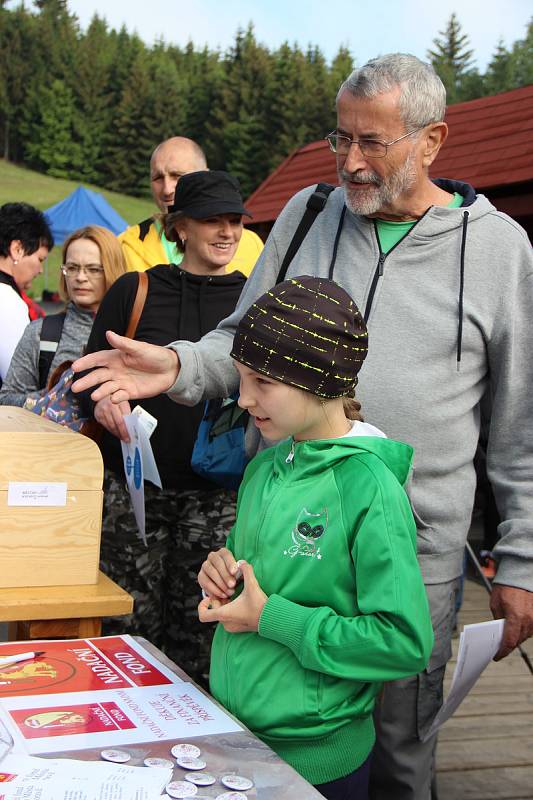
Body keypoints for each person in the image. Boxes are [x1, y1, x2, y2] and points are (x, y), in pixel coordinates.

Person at [72, 53, 533, 800]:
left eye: (371, 143)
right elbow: (241, 343)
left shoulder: (498, 250)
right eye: (338, 138)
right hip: (285, 537)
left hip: (412, 549)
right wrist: (180, 367)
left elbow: (520, 425)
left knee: (399, 750)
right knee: (272, 726)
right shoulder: (308, 214)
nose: (349, 162)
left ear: (432, 140)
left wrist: (520, 562)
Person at [197, 276, 433, 799]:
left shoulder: (368, 487)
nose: (243, 397)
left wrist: (269, 617)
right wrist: (221, 576)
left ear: (322, 381)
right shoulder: (263, 469)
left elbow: (403, 643)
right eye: (240, 378)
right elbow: (253, 581)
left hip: (322, 766)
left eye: (261, 381)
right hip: (236, 742)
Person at [78, 170, 249, 685]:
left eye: (235, 220)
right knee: (126, 633)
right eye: (211, 220)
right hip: (134, 494)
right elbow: (87, 378)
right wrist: (104, 404)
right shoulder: (137, 289)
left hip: (217, 498)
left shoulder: (252, 301)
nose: (227, 232)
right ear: (180, 227)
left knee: (203, 630)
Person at [0, 226, 126, 407]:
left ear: (112, 269)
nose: (81, 277)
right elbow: (6, 401)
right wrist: (52, 398)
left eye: (93, 269)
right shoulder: (41, 332)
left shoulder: (133, 333)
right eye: (72, 268)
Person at [119, 136, 264, 277]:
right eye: (158, 178)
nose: (167, 189)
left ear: (206, 175)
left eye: (177, 176)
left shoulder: (252, 245)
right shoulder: (125, 245)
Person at [0, 202, 53, 383]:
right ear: (17, 249)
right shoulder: (7, 300)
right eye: (40, 259)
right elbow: (17, 379)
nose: (40, 270)